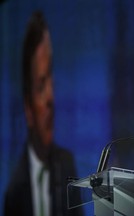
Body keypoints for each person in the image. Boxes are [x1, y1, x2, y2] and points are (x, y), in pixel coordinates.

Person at [4, 11, 83, 216]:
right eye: (41, 86)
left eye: (50, 81)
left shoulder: (67, 166)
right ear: (28, 108)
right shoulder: (13, 190)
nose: (50, 98)